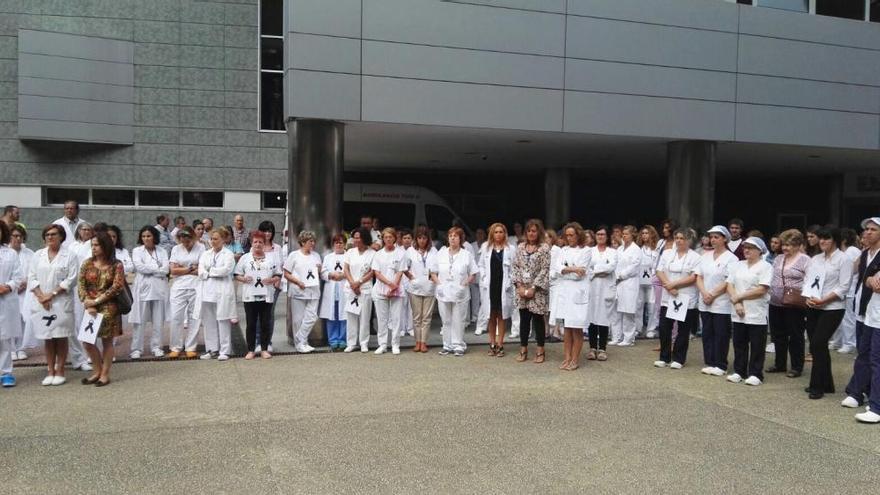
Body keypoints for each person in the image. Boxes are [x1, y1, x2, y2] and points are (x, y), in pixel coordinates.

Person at [803, 227, 852, 399]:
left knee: (818, 343)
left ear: (835, 240)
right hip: (813, 305)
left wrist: (824, 300)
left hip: (832, 308)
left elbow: (844, 286)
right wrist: (808, 297)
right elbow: (808, 281)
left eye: (827, 238)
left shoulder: (843, 259)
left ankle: (816, 386)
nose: (822, 241)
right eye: (821, 238)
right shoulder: (816, 258)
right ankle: (827, 383)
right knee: (818, 346)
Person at [29, 225, 79, 385]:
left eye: (53, 234)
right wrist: (41, 296)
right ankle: (50, 370)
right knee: (48, 338)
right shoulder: (38, 255)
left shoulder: (70, 255)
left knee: (61, 336)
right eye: (47, 235)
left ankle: (60, 370)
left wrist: (52, 294)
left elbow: (71, 279)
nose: (50, 237)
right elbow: (31, 277)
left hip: (61, 302)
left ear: (61, 237)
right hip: (42, 303)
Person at [77, 231, 126, 386]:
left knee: (107, 342)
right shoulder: (87, 263)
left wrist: (96, 301)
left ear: (106, 245)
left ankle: (105, 374)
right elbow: (81, 285)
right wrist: (86, 301)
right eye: (92, 245)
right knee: (87, 341)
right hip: (90, 306)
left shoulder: (116, 265)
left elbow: (116, 287)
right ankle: (97, 371)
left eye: (97, 245)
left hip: (109, 307)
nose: (94, 248)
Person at [842, 217, 880, 410]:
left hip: (875, 312)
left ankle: (866, 392)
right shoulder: (865, 254)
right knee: (862, 353)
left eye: (873, 229)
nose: (867, 232)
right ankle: (858, 390)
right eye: (866, 229)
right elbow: (859, 274)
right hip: (862, 309)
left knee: (874, 356)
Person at [725, 237, 773, 386]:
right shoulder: (738, 265)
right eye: (745, 247)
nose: (746, 250)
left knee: (757, 344)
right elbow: (729, 284)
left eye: (751, 248)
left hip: (756, 310)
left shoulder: (765, 267)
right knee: (739, 342)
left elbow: (761, 289)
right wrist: (737, 302)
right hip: (738, 310)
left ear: (760, 251)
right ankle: (739, 371)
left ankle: (756, 373)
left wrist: (739, 296)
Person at [654, 228, 701, 369]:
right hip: (668, 295)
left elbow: (693, 276)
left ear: (688, 240)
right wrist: (668, 286)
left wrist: (674, 284)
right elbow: (659, 270)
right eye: (677, 238)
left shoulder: (695, 257)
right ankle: (664, 357)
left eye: (682, 238)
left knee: (683, 329)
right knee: (664, 327)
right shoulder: (668, 253)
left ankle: (679, 358)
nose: (679, 241)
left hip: (685, 296)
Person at [695, 225, 738, 377]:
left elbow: (728, 281)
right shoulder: (705, 256)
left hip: (721, 302)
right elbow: (698, 276)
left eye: (716, 237)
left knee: (721, 333)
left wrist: (712, 294)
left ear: (724, 239)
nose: (712, 240)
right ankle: (711, 362)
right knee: (707, 332)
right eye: (711, 237)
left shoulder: (731, 258)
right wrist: (704, 293)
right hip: (705, 299)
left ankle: (721, 364)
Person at [767, 229, 810, 378]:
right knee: (778, 334)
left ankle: (797, 366)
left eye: (790, 245)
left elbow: (809, 280)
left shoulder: (805, 260)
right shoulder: (779, 258)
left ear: (798, 245)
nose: (786, 248)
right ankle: (780, 364)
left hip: (794, 303)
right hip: (775, 301)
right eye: (784, 244)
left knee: (795, 335)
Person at [235, 231, 281, 360]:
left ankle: (264, 349)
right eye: (255, 241)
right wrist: (244, 279)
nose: (258, 244)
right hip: (250, 295)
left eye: (260, 242)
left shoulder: (271, 258)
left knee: (265, 322)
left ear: (264, 243)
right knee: (251, 323)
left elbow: (278, 274)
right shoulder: (245, 258)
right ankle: (250, 349)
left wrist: (272, 280)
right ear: (251, 243)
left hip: (266, 294)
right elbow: (236, 274)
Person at [434, 226, 478, 357]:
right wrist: (439, 285)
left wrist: (464, 285)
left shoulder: (466, 255)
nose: (452, 238)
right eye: (450, 236)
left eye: (455, 236)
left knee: (458, 319)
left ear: (460, 239)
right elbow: (433, 272)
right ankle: (447, 345)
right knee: (446, 320)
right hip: (443, 291)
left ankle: (458, 345)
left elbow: (473, 273)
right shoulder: (441, 253)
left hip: (460, 292)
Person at [511, 219, 550, 363]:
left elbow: (545, 269)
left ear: (539, 232)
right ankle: (523, 349)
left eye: (534, 231)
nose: (531, 233)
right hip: (522, 289)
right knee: (524, 320)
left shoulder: (544, 248)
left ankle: (540, 350)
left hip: (537, 290)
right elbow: (515, 267)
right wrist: (520, 286)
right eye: (529, 231)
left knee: (538, 320)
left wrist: (534, 287)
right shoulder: (520, 247)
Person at [554, 222, 591, 371]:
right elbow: (557, 269)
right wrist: (573, 268)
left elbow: (579, 275)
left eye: (572, 235)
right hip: (565, 293)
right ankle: (567, 358)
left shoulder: (586, 251)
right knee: (567, 329)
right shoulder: (563, 250)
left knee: (577, 328)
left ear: (578, 235)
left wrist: (566, 270)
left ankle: (575, 359)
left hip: (578, 293)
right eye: (567, 235)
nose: (569, 238)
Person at [129, 226, 170, 359]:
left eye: (149, 236)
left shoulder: (162, 251)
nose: (146, 239)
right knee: (139, 320)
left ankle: (156, 347)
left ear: (154, 237)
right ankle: (136, 348)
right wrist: (157, 269)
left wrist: (154, 270)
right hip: (143, 288)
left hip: (159, 288)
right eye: (144, 236)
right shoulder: (137, 251)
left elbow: (166, 269)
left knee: (158, 320)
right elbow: (140, 268)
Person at [195, 228, 237, 360]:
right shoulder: (205, 254)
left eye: (216, 239)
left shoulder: (228, 254)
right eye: (212, 239)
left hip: (222, 290)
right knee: (209, 321)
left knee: (223, 320)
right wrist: (209, 272)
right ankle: (212, 349)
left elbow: (226, 270)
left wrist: (210, 271)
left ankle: (225, 350)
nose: (213, 241)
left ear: (223, 240)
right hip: (207, 291)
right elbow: (200, 271)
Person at [167, 226, 204, 358]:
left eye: (187, 236)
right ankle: (175, 347)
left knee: (194, 317)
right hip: (179, 287)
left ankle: (191, 347)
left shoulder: (201, 248)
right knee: (176, 317)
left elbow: (201, 269)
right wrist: (190, 268)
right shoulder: (176, 249)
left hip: (196, 286)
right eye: (182, 237)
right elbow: (173, 270)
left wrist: (182, 268)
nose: (185, 239)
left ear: (193, 236)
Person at [479, 223, 515, 357]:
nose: (498, 234)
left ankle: (500, 344)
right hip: (490, 285)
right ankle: (492, 343)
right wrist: (483, 278)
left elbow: (514, 268)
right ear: (492, 234)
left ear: (504, 234)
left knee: (502, 315)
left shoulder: (510, 248)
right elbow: (481, 265)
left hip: (503, 286)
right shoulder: (486, 248)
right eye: (496, 232)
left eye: (501, 232)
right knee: (491, 315)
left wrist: (510, 281)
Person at [284, 230, 322, 354]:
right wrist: (298, 282)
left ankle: (301, 338)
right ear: (303, 242)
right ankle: (300, 344)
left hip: (313, 290)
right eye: (310, 241)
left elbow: (319, 272)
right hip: (298, 290)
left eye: (313, 241)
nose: (313, 243)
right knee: (298, 319)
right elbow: (286, 273)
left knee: (311, 316)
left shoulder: (316, 255)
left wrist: (320, 269)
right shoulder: (294, 255)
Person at [371, 227, 406, 355]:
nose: (388, 239)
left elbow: (400, 271)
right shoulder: (378, 254)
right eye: (386, 237)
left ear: (394, 238)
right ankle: (383, 344)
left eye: (390, 237)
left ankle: (395, 344)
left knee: (396, 318)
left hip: (396, 290)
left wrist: (394, 286)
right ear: (383, 239)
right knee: (382, 318)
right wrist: (388, 284)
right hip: (381, 289)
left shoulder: (400, 253)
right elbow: (376, 272)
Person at [343, 227, 375, 353]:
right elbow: (346, 269)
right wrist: (352, 283)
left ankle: (364, 343)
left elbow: (372, 272)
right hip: (351, 289)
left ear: (364, 238)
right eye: (354, 237)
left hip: (365, 289)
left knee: (364, 317)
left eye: (358, 237)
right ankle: (351, 343)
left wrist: (359, 282)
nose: (356, 240)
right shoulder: (350, 252)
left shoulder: (372, 253)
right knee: (351, 316)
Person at [828, 228, 860, 354]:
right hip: (841, 291)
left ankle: (849, 343)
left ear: (844, 239)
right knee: (838, 317)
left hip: (850, 290)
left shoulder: (852, 251)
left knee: (848, 319)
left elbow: (853, 270)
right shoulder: (844, 251)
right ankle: (838, 341)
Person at [588, 226, 618, 359]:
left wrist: (595, 270)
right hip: (593, 287)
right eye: (598, 234)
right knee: (592, 318)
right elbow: (587, 268)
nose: (600, 236)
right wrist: (599, 271)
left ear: (607, 236)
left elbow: (611, 267)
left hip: (606, 287)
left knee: (604, 318)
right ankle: (592, 347)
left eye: (603, 234)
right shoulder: (589, 251)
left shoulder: (612, 252)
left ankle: (602, 349)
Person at [405, 227, 437, 353]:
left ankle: (424, 342)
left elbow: (437, 268)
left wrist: (431, 279)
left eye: (424, 238)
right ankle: (417, 341)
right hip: (415, 288)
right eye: (419, 238)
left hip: (429, 287)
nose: (422, 241)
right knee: (417, 316)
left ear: (428, 239)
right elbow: (404, 267)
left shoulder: (434, 251)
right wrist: (411, 278)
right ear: (416, 239)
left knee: (426, 317)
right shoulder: (410, 251)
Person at [0, 222, 23, 387]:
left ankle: (6, 372)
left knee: (5, 339)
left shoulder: (11, 253)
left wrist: (8, 286)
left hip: (5, 299)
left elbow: (18, 276)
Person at [256, 220, 283, 352]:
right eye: (265, 231)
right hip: (257, 285)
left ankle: (267, 342)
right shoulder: (256, 246)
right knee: (257, 314)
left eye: (270, 231)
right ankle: (257, 342)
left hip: (274, 286)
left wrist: (277, 281)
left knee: (269, 314)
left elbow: (281, 266)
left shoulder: (277, 248)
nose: (267, 233)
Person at [9, 225, 35, 361]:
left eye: (20, 236)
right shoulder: (5, 253)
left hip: (26, 292)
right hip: (9, 291)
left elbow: (34, 271)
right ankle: (11, 349)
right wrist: (13, 285)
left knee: (24, 320)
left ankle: (21, 348)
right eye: (15, 236)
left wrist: (26, 283)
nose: (18, 239)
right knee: (10, 320)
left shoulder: (30, 253)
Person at [614, 225, 642, 347]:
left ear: (633, 235)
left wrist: (621, 275)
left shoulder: (636, 250)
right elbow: (615, 263)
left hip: (629, 281)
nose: (624, 235)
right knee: (617, 310)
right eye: (623, 234)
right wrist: (615, 277)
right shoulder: (619, 249)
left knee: (628, 310)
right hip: (617, 282)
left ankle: (629, 338)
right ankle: (617, 336)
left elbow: (634, 267)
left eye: (627, 234)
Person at [320, 234, 348, 351]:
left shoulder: (349, 256)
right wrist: (331, 274)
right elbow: (323, 272)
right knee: (332, 316)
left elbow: (353, 271)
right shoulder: (328, 257)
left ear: (345, 244)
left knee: (344, 315)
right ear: (333, 244)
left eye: (341, 242)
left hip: (344, 288)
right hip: (331, 288)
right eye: (336, 242)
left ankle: (342, 340)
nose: (338, 244)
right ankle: (333, 340)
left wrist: (343, 275)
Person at [638, 225, 660, 338]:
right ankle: (638, 328)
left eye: (647, 233)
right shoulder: (638, 249)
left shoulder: (656, 250)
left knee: (652, 305)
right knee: (638, 304)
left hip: (651, 280)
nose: (644, 235)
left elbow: (657, 266)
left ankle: (651, 329)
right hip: (639, 280)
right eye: (643, 233)